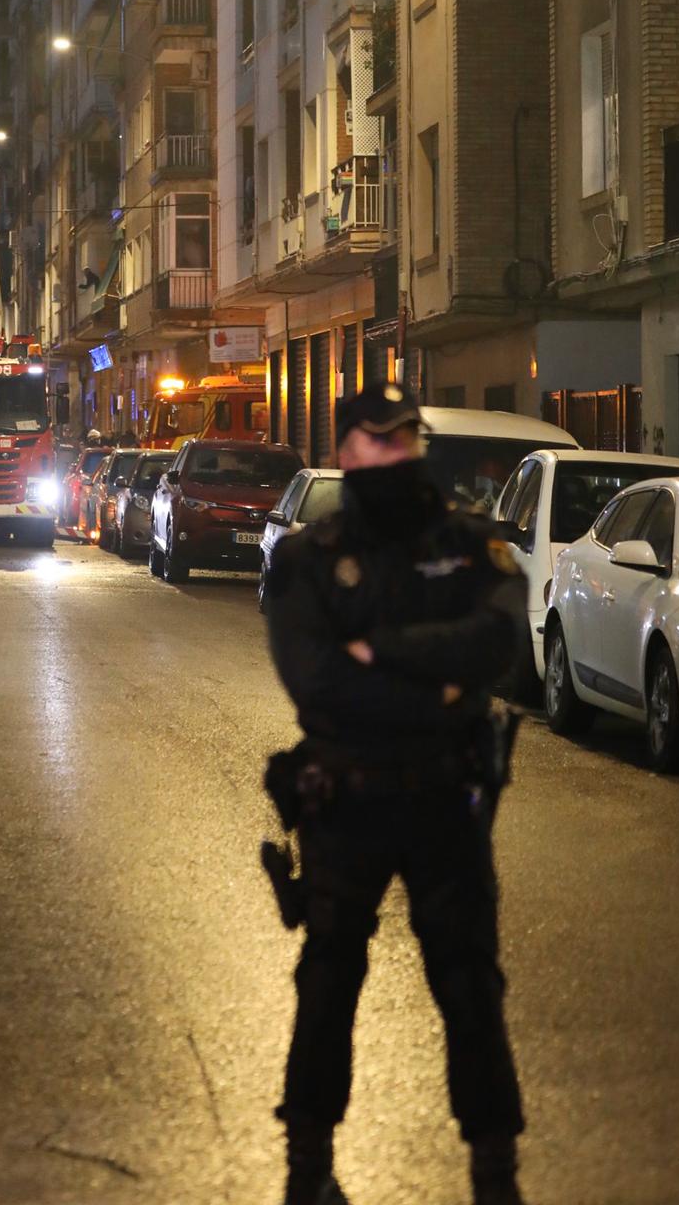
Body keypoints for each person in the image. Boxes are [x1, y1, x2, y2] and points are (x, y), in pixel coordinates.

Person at [264, 382, 529, 1205]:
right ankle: (308, 1169)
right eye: (377, 441)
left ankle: (495, 1174)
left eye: (406, 437)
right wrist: (435, 689)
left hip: (447, 803)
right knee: (329, 978)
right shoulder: (309, 558)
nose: (395, 452)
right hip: (347, 802)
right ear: (346, 452)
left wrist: (378, 650)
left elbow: (495, 643)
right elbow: (317, 682)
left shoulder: (470, 543)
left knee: (470, 984)